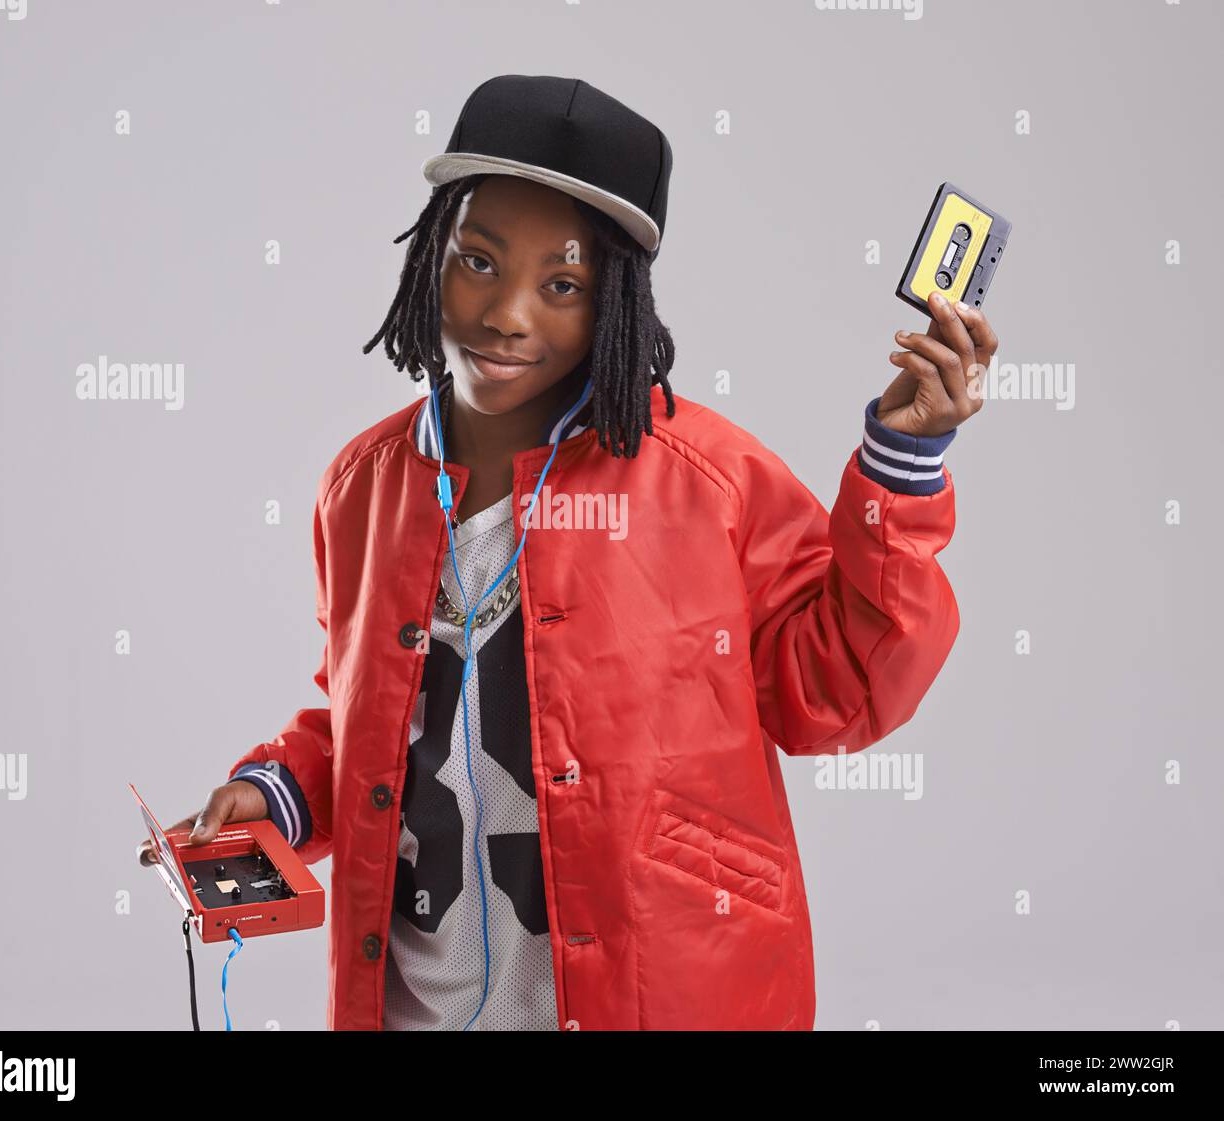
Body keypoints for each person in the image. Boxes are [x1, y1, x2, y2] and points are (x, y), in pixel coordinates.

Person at [139, 74, 996, 1031]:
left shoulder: (709, 482)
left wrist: (902, 465)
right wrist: (282, 795)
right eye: (477, 261)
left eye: (562, 285)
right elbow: (377, 717)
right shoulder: (363, 488)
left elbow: (838, 691)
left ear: (615, 303)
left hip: (663, 995)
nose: (508, 314)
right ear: (430, 258)